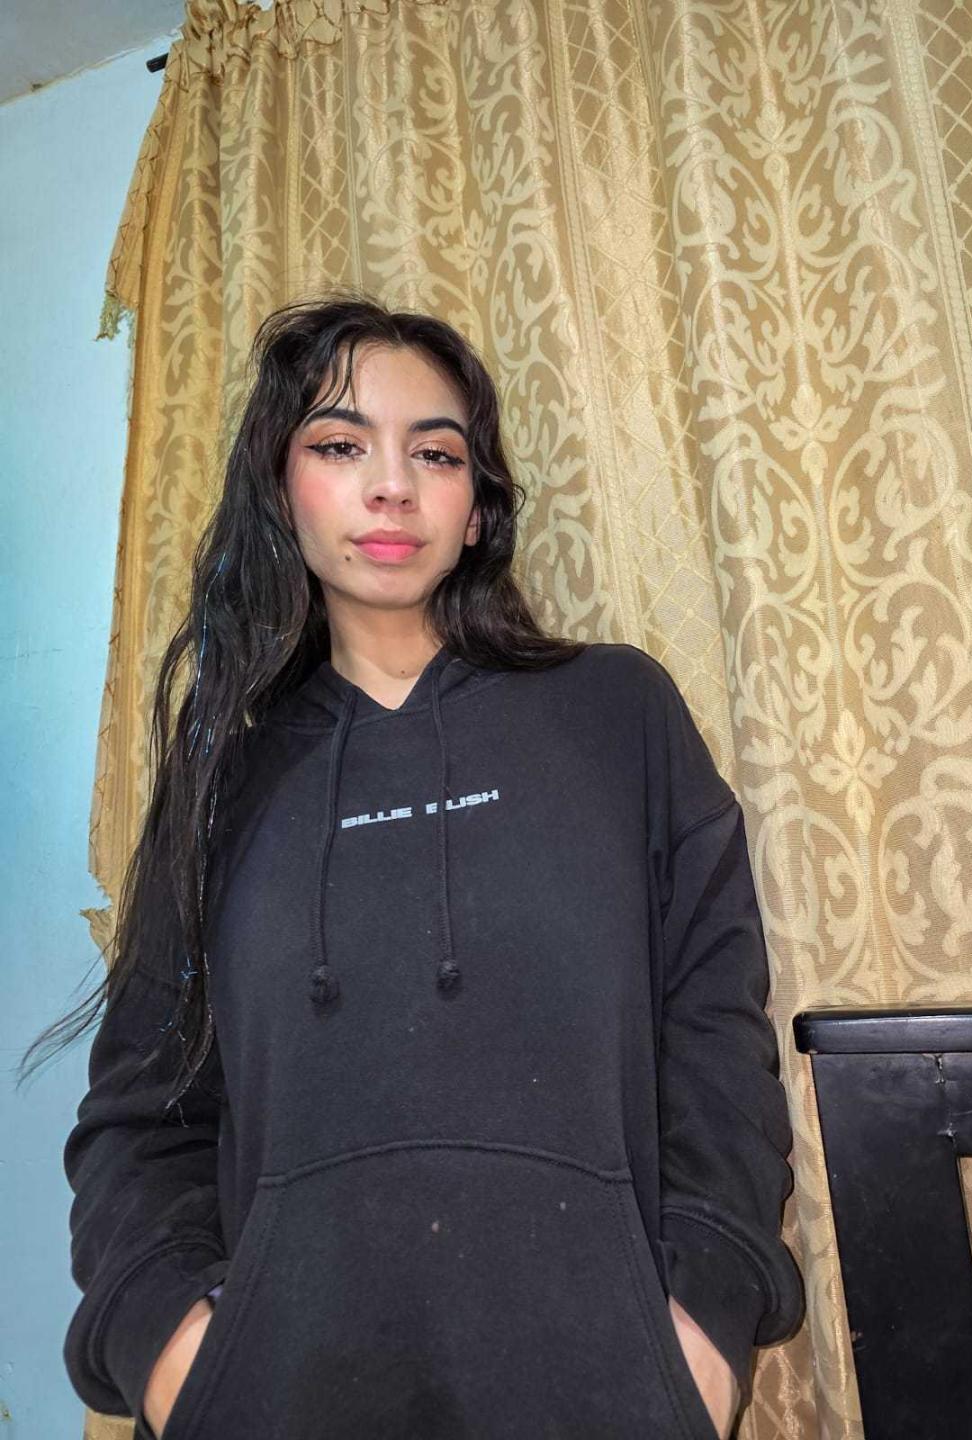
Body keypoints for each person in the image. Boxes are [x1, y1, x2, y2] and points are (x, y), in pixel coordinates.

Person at [30, 292, 804, 1439]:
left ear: (478, 509)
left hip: (608, 1397)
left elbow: (716, 1047)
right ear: (280, 490)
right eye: (341, 446)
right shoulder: (223, 771)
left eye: (435, 454)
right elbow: (142, 1115)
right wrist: (180, 1363)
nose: (391, 486)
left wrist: (700, 1336)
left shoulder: (616, 714)